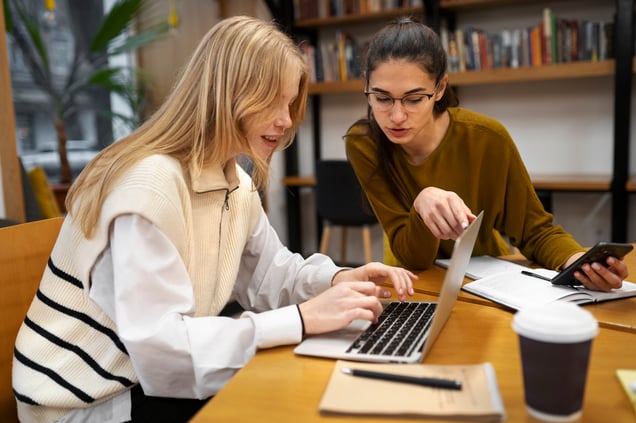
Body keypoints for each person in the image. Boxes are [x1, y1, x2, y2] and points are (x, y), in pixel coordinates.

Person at [12, 16, 417, 423]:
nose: (287, 120)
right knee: (282, 401)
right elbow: (161, 351)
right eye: (272, 101)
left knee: (300, 384)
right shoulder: (151, 183)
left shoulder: (233, 183)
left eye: (290, 104)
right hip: (86, 401)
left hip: (139, 379)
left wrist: (336, 280)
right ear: (225, 94)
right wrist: (300, 319)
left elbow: (270, 275)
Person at [344, 17, 628, 292]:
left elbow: (534, 231)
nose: (396, 116)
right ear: (365, 87)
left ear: (440, 88)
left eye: (414, 99)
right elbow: (413, 258)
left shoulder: (487, 138)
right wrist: (422, 205)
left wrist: (577, 263)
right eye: (381, 98)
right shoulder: (364, 143)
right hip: (413, 284)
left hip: (487, 282)